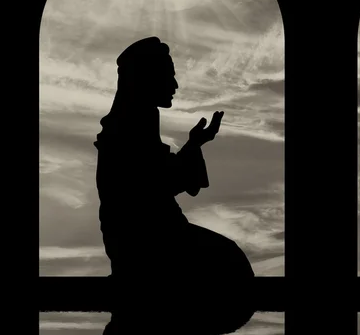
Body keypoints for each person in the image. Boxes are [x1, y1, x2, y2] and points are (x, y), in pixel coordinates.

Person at [94, 36, 254, 284]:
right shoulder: (127, 126)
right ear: (146, 77)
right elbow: (155, 184)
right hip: (145, 243)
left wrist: (194, 144)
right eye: (168, 75)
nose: (175, 84)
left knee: (230, 262)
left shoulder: (137, 120)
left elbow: (159, 177)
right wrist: (193, 146)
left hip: (156, 236)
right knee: (230, 264)